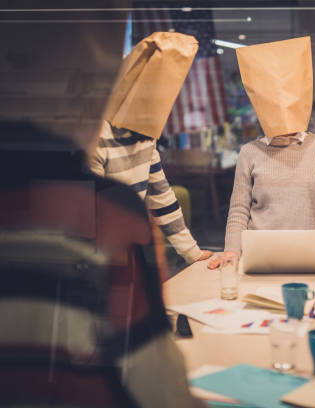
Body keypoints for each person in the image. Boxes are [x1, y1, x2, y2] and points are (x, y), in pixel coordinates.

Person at [0, 5, 199, 406]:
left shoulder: (145, 145)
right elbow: (159, 390)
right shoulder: (115, 216)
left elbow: (163, 198)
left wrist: (197, 255)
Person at [208, 37, 315, 269]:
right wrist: (231, 252)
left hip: (310, 256)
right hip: (258, 256)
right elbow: (239, 210)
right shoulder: (249, 152)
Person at [90, 32, 213, 267]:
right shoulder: (96, 137)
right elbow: (88, 214)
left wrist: (192, 253)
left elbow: (162, 198)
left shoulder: (146, 138)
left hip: (126, 247)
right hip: (94, 255)